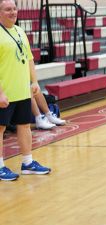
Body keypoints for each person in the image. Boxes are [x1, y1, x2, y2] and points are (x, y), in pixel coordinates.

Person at [0, 0, 51, 181]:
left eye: (14, 8)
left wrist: (34, 81)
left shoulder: (20, 31)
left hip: (22, 90)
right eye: (8, 9)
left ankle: (27, 163)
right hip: (4, 91)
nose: (12, 12)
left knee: (24, 125)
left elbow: (29, 58)